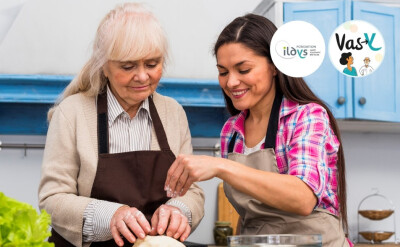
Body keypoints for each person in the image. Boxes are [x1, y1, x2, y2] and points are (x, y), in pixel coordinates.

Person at [165, 14, 351, 247]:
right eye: (223, 72)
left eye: (243, 70)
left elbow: (303, 198)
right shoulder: (231, 132)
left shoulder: (307, 116)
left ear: (274, 67)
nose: (231, 82)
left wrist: (222, 166)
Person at [38, 3, 204, 247]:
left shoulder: (173, 113)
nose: (142, 76)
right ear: (104, 65)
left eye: (152, 64)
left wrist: (179, 210)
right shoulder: (71, 113)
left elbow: (192, 191)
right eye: (128, 66)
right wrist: (111, 217)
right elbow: (52, 199)